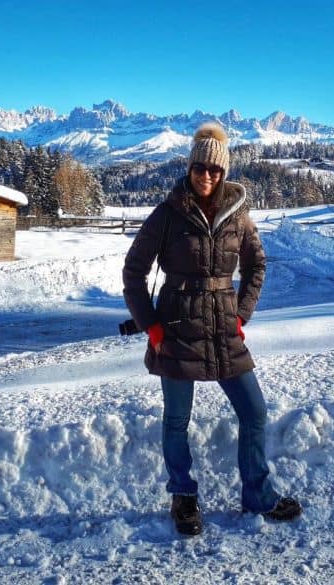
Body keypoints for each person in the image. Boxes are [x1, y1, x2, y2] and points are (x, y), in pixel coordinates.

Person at [122, 123, 302, 536]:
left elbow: (257, 265)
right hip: (177, 330)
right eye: (199, 167)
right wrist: (151, 327)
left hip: (224, 330)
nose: (207, 175)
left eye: (215, 170)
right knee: (176, 420)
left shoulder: (238, 215)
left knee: (254, 411)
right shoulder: (168, 214)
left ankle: (257, 494)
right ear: (189, 167)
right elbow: (133, 272)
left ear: (224, 172)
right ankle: (183, 498)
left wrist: (242, 313)